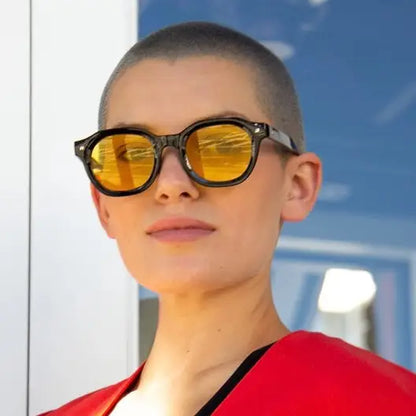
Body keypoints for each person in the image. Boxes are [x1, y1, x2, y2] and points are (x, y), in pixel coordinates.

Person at [39, 21, 416, 416]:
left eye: (220, 146)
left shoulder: (385, 404)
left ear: (297, 186)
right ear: (103, 205)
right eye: (130, 154)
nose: (171, 184)